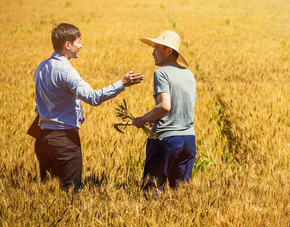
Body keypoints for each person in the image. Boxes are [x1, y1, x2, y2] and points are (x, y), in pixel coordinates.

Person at [33, 23, 144, 192]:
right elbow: (93, 98)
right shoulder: (66, 71)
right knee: (70, 192)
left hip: (42, 139)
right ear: (67, 45)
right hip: (64, 141)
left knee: (48, 192)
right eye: (78, 41)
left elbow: (38, 106)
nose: (81, 45)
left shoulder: (41, 67)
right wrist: (121, 84)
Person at [133, 31, 196, 192]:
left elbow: (165, 106)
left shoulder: (161, 73)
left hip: (166, 140)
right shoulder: (188, 74)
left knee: (152, 190)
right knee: (181, 193)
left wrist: (142, 119)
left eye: (156, 48)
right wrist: (155, 118)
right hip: (188, 140)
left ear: (169, 50)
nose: (152, 52)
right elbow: (182, 107)